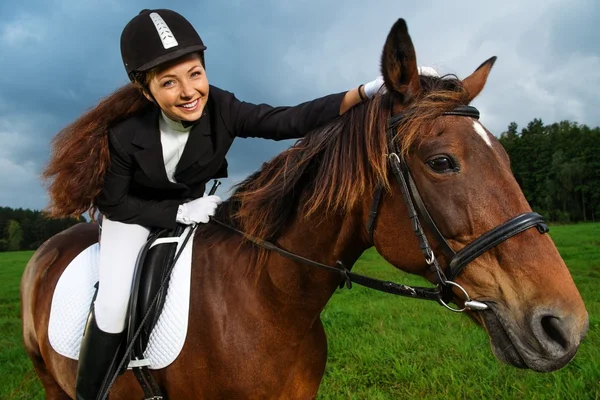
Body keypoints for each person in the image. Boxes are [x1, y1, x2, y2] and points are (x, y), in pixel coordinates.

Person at [41, 8, 386, 399]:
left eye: (195, 74)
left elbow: (285, 120)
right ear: (145, 90)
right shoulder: (125, 135)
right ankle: (92, 391)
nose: (189, 92)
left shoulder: (222, 107)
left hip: (198, 210)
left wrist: (360, 94)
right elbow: (117, 203)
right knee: (115, 300)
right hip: (133, 216)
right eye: (169, 82)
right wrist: (176, 213)